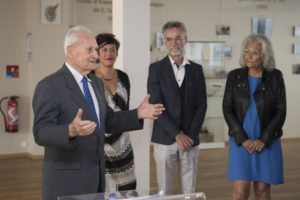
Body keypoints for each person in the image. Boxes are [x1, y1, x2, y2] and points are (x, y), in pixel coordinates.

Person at [32, 26, 164, 200]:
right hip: (67, 183)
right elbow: (41, 132)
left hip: (98, 180)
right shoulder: (49, 85)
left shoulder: (96, 83)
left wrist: (137, 114)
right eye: (90, 50)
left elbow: (108, 121)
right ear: (70, 51)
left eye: (96, 49)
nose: (96, 55)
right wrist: (69, 130)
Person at [222, 34, 286, 200]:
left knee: (262, 190)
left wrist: (264, 139)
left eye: (255, 52)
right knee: (240, 192)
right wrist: (243, 139)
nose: (249, 56)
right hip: (241, 141)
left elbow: (281, 111)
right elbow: (227, 109)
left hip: (267, 141)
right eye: (246, 51)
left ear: (265, 55)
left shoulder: (276, 77)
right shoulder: (234, 76)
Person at [147, 21, 207, 195]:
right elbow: (156, 106)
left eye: (178, 38)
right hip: (165, 139)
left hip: (190, 139)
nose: (174, 43)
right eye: (169, 39)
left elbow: (201, 105)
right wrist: (177, 134)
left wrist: (190, 135)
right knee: (164, 190)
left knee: (189, 190)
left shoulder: (196, 69)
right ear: (165, 42)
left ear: (185, 39)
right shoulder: (155, 69)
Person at [93, 33, 136, 192]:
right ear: (97, 53)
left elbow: (125, 110)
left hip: (123, 143)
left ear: (117, 53)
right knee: (103, 189)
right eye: (104, 50)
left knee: (127, 189)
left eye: (113, 50)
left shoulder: (124, 77)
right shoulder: (89, 77)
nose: (109, 54)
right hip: (100, 143)